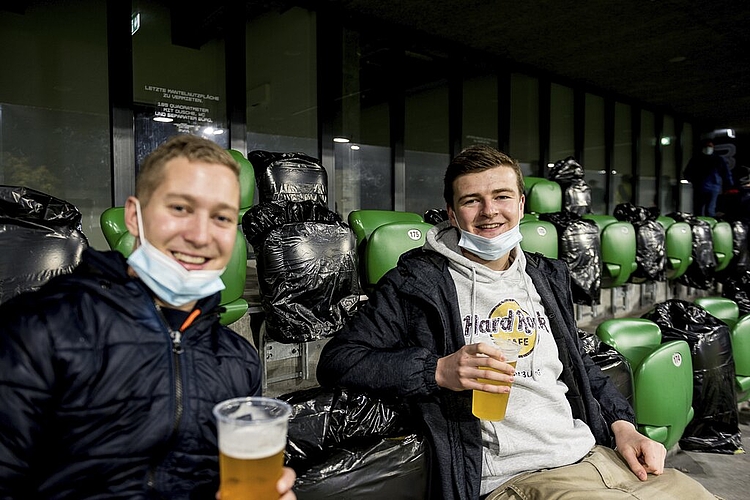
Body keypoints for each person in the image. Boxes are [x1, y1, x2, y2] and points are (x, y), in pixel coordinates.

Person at [317, 145, 716, 500]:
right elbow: (338, 361)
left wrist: (624, 426)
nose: (490, 211)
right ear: (453, 215)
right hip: (517, 478)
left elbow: (580, 366)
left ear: (521, 206)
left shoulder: (547, 276)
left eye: (501, 196)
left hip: (594, 455)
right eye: (472, 201)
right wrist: (436, 370)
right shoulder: (415, 284)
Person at [0, 135, 295, 499]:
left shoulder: (240, 361)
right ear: (134, 217)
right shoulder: (41, 330)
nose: (201, 235)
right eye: (180, 209)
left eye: (221, 217)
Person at [683, 138, 733, 217]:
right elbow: (726, 173)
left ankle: (698, 225)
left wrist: (692, 180)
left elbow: (687, 172)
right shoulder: (718, 159)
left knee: (701, 209)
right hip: (711, 187)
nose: (708, 148)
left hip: (702, 187)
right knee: (708, 209)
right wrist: (729, 184)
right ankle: (709, 225)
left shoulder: (697, 159)